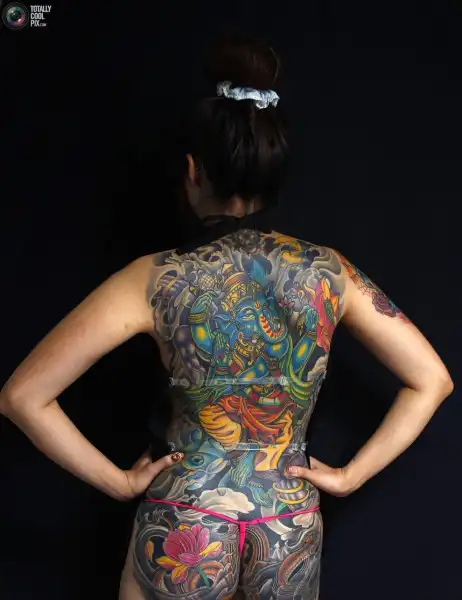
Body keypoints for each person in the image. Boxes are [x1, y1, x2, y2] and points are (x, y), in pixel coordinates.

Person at [0, 34, 453, 600]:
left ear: (193, 172)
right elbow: (432, 379)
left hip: (187, 519)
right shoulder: (329, 272)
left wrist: (118, 482)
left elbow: (23, 396)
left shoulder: (153, 278)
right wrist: (349, 476)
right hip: (287, 527)